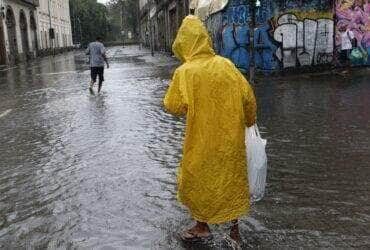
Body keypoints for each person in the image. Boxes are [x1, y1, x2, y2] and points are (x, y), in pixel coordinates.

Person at [163, 16, 257, 243]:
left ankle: (201, 225)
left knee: (198, 180)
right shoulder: (226, 65)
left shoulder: (185, 72)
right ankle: (234, 231)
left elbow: (173, 106)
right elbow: (248, 98)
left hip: (201, 141)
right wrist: (249, 122)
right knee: (231, 179)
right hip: (230, 141)